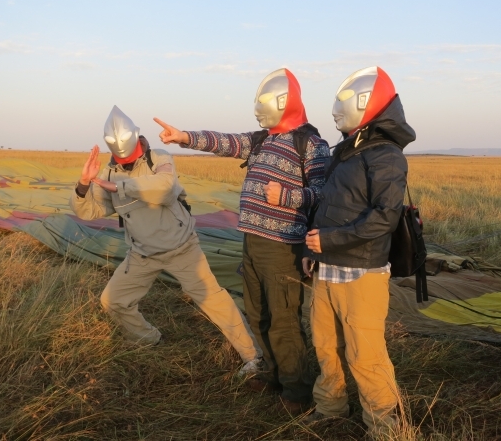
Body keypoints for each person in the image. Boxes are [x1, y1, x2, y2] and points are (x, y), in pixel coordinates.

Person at [153, 68, 330, 414]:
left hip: (283, 247)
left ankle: (296, 391)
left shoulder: (310, 143)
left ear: (285, 102)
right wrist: (184, 137)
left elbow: (324, 194)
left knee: (283, 318)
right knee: (257, 311)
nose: (259, 110)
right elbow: (226, 142)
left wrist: (289, 197)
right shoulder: (264, 138)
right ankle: (274, 374)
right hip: (252, 242)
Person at [69, 105, 262, 376]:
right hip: (141, 254)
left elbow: (165, 189)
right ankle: (148, 340)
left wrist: (120, 187)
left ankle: (254, 357)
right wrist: (83, 184)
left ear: (137, 138)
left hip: (182, 249)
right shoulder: (109, 174)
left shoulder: (159, 158)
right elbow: (89, 211)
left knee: (214, 300)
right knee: (112, 301)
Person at [302, 66, 416, 438]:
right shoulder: (349, 149)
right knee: (325, 346)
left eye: (344, 103)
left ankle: (385, 428)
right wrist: (316, 251)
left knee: (365, 356)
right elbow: (332, 203)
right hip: (327, 268)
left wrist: (330, 242)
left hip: (361, 273)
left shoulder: (386, 155)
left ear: (367, 104)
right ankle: (330, 408)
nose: (337, 110)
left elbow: (384, 217)